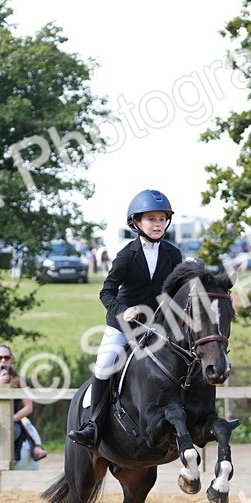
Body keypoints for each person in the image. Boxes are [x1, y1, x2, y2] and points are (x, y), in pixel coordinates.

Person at [68, 188, 183, 448]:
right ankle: (92, 426)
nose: (158, 224)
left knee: (189, 358)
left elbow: (181, 289)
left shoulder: (173, 254)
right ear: (136, 223)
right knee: (104, 363)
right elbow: (106, 292)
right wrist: (123, 311)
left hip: (159, 327)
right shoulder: (126, 255)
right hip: (125, 325)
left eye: (162, 219)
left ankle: (196, 418)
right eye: (151, 219)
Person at [0, 343, 46, 471]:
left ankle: (34, 447)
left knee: (22, 426)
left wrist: (11, 418)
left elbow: (28, 407)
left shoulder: (19, 380)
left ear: (11, 360)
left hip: (13, 423)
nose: (3, 360)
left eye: (6, 357)